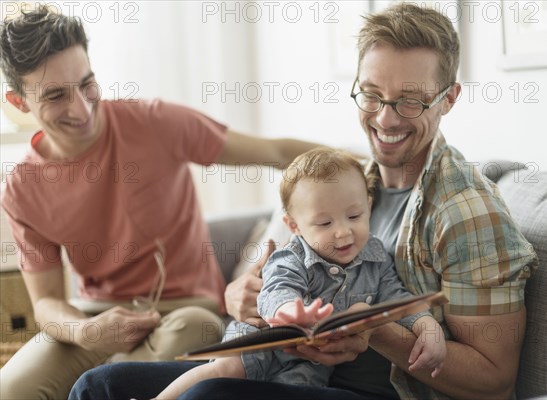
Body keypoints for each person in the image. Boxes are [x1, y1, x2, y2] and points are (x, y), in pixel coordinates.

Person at [69, 3, 539, 399]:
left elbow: (495, 382)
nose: (385, 118)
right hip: (279, 365)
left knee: (207, 395)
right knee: (99, 385)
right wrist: (242, 297)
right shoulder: (352, 181)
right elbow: (276, 269)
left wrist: (374, 331)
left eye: (410, 100)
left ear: (449, 98)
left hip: (377, 392)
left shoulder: (466, 214)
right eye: (371, 95)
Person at [0, 5, 321, 399]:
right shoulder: (22, 187)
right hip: (97, 316)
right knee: (13, 387)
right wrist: (84, 331)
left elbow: (274, 151)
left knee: (182, 337)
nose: (82, 108)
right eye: (55, 95)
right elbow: (47, 302)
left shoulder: (154, 123)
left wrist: (364, 165)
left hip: (186, 310)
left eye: (87, 84)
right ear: (18, 103)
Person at [154, 148, 446, 399]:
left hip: (311, 363)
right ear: (294, 226)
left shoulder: (376, 257)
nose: (343, 232)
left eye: (354, 216)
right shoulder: (291, 256)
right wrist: (290, 312)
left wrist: (424, 324)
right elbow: (276, 289)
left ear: (368, 207)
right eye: (324, 223)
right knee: (226, 370)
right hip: (261, 340)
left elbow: (396, 297)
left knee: (298, 390)